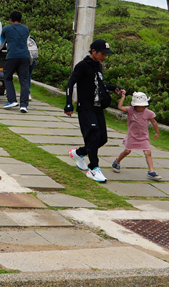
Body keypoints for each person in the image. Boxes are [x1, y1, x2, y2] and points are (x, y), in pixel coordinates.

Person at [65, 39, 124, 183]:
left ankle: (78, 153)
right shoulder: (82, 66)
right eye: (102, 54)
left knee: (102, 138)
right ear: (93, 51)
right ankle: (94, 168)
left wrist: (114, 88)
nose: (105, 56)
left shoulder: (98, 66)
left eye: (106, 54)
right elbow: (70, 84)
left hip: (98, 107)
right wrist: (68, 104)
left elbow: (99, 84)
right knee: (94, 136)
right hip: (85, 107)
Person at [113, 92, 162, 180]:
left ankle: (151, 172)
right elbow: (120, 107)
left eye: (143, 107)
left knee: (148, 153)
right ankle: (117, 162)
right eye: (138, 107)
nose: (141, 108)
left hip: (143, 137)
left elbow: (154, 122)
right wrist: (123, 97)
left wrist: (157, 132)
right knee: (127, 151)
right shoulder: (130, 110)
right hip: (132, 136)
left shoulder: (149, 113)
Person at [0, 11, 31, 113]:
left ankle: (12, 100)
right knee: (24, 80)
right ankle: (24, 105)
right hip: (24, 56)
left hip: (12, 56)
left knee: (7, 77)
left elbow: (1, 44)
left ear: (10, 19)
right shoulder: (26, 29)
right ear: (20, 19)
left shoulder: (6, 29)